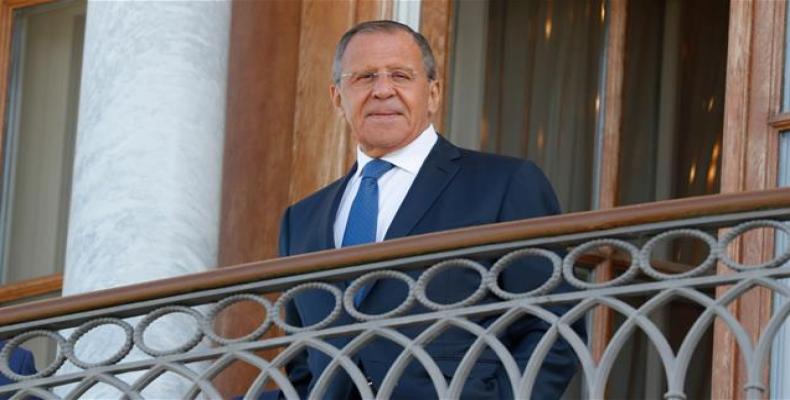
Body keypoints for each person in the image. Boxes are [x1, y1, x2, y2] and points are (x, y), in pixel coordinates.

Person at [278, 20, 584, 399]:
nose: (382, 90)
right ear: (337, 97)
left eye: (401, 76)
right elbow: (303, 367)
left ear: (433, 93)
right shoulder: (301, 220)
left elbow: (554, 327)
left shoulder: (505, 184)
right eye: (364, 77)